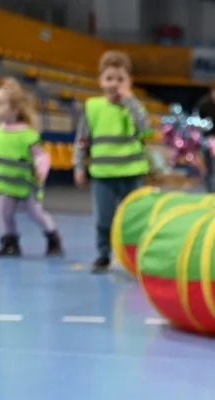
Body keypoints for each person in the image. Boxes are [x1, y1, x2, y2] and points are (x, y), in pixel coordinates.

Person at [73, 50, 150, 274]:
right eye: (109, 78)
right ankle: (103, 254)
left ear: (129, 82)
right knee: (104, 219)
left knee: (134, 220)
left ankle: (134, 258)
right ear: (100, 81)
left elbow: (145, 131)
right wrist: (79, 166)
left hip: (132, 173)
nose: (114, 84)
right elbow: (82, 141)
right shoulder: (92, 108)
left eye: (120, 79)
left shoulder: (135, 107)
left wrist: (131, 101)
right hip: (103, 176)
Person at [0, 79, 63, 258]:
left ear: (14, 109)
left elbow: (41, 156)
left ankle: (52, 237)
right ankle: (10, 242)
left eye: (0, 104)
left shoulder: (27, 134)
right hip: (5, 184)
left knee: (35, 213)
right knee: (4, 213)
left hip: (25, 184)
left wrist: (41, 170)